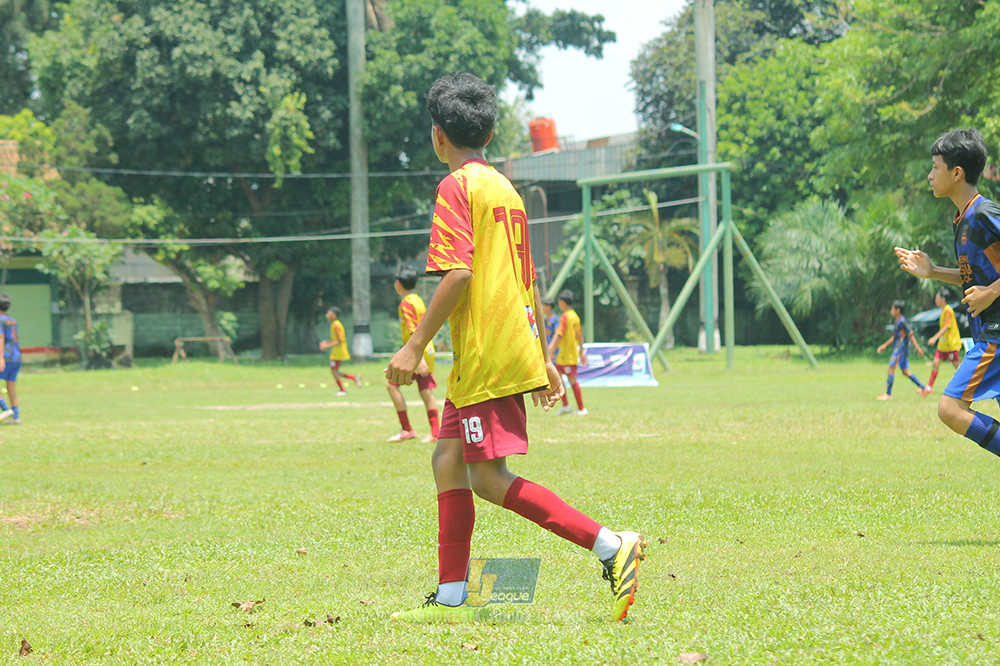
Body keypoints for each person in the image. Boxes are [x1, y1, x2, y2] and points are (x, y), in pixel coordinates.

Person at [385, 72, 646, 623]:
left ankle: (610, 545)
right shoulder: (507, 190)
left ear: (438, 136)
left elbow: (457, 276)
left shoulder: (456, 187)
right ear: (491, 130)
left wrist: (413, 346)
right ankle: (453, 595)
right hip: (501, 351)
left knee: (487, 478)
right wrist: (546, 358)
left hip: (486, 355)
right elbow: (528, 278)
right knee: (446, 459)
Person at [895, 128, 1000, 457]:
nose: (929, 175)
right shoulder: (964, 218)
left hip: (996, 333)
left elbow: (987, 286)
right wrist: (933, 271)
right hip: (986, 329)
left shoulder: (984, 213)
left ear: (957, 173)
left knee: (950, 408)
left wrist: (991, 293)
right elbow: (975, 277)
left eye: (935, 167)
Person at [387, 265, 440, 443]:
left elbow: (412, 330)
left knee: (392, 386)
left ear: (398, 283)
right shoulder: (417, 300)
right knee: (426, 391)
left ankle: (407, 429)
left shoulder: (406, 303)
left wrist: (418, 359)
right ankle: (436, 433)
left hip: (418, 354)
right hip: (427, 349)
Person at [875, 299, 927, 400]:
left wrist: (917, 348)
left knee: (891, 368)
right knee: (905, 371)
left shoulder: (902, 322)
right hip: (899, 348)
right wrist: (885, 345)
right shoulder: (897, 321)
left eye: (892, 308)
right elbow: (895, 337)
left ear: (897, 310)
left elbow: (910, 334)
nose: (891, 310)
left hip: (900, 349)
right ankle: (923, 388)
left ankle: (888, 394)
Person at [548, 289, 588, 416]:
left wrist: (550, 350)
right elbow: (580, 335)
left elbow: (560, 334)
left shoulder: (565, 316)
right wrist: (582, 352)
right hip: (565, 356)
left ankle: (582, 408)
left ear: (563, 303)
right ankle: (566, 406)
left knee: (572, 381)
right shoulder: (575, 316)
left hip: (567, 356)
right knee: (558, 378)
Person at [922, 288, 963, 397]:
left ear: (943, 299)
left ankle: (968, 384)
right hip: (943, 345)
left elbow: (947, 326)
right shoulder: (943, 310)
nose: (936, 299)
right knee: (935, 363)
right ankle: (929, 387)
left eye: (937, 297)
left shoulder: (948, 310)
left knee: (957, 367)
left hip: (950, 344)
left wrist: (934, 338)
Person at [319, 306, 360, 396]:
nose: (327, 316)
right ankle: (353, 379)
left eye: (328, 314)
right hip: (336, 352)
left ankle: (343, 390)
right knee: (334, 371)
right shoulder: (334, 324)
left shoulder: (336, 325)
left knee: (334, 371)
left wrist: (327, 345)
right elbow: (335, 339)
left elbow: (340, 340)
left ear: (334, 315)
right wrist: (327, 342)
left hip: (338, 352)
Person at [0, 294, 21, 424]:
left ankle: (5, 409)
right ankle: (16, 416)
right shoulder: (12, 320)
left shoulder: (0, 320)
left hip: (6, 357)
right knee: (11, 388)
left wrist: (0, 357)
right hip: (16, 357)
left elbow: (1, 338)